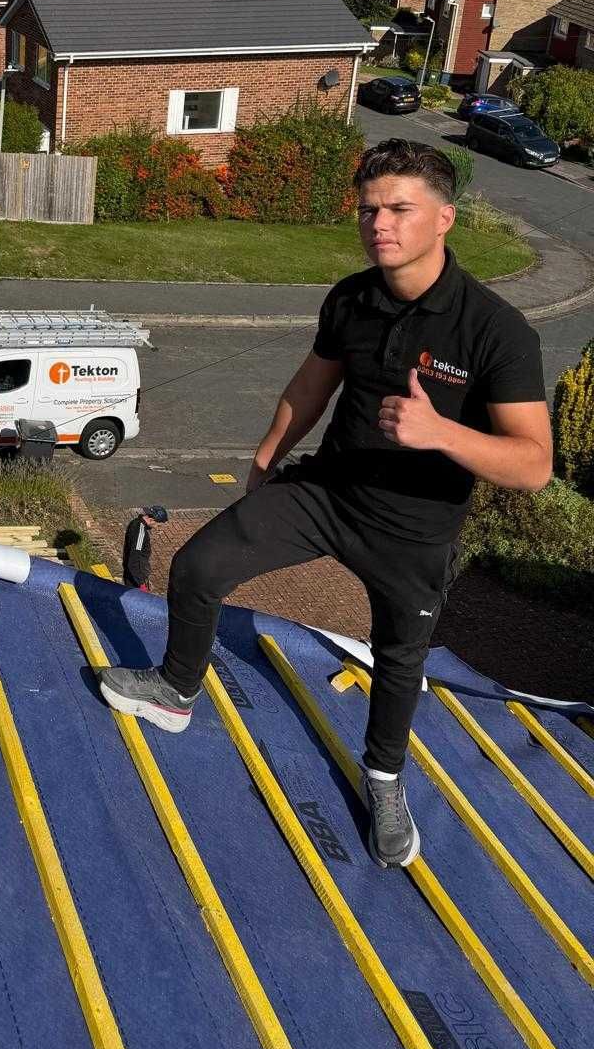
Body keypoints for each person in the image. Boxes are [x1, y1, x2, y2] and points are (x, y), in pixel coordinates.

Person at [99, 139, 551, 869]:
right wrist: (265, 459)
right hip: (327, 493)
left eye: (400, 209)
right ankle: (176, 691)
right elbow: (311, 386)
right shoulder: (352, 298)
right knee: (201, 564)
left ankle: (385, 779)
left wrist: (441, 432)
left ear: (445, 218)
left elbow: (533, 465)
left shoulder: (496, 331)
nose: (380, 224)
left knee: (399, 661)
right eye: (369, 210)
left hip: (413, 530)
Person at [123, 506, 169, 592]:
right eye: (158, 524)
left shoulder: (135, 523)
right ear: (152, 520)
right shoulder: (140, 532)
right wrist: (141, 583)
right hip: (135, 580)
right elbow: (134, 558)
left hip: (133, 575)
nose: (156, 527)